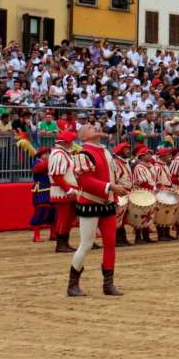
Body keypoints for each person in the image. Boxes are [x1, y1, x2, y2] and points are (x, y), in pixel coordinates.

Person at [67, 120, 129, 297]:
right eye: (89, 127)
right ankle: (73, 284)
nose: (94, 127)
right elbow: (85, 183)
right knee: (86, 244)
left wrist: (114, 197)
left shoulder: (104, 151)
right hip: (90, 204)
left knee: (110, 244)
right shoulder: (83, 154)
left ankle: (108, 284)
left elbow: (111, 177)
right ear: (83, 136)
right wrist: (111, 188)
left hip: (107, 203)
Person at [48, 129, 79, 253]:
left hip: (68, 191)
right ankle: (61, 244)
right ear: (65, 142)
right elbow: (56, 175)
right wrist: (68, 189)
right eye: (71, 140)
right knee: (63, 217)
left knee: (68, 218)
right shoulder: (59, 154)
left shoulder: (64, 153)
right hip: (63, 192)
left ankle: (65, 242)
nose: (72, 142)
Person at [29, 146, 55, 243]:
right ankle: (36, 236)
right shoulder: (37, 163)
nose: (48, 155)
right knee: (41, 211)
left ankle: (53, 234)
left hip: (51, 189)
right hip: (41, 190)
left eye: (49, 153)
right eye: (46, 154)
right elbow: (41, 168)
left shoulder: (48, 162)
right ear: (40, 155)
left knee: (53, 212)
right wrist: (53, 159)